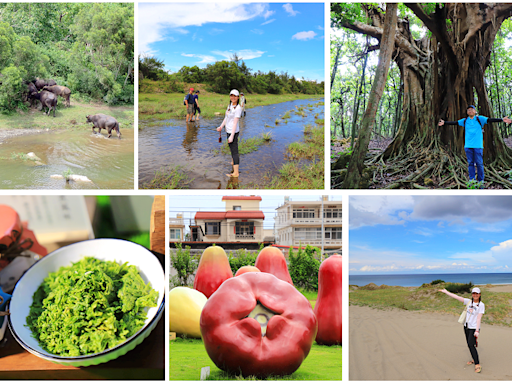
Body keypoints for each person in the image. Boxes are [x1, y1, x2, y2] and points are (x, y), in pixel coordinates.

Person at [438, 106, 511, 185]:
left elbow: (490, 120)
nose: (470, 111)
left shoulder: (480, 119)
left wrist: (501, 120)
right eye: (468, 110)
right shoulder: (465, 121)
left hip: (478, 146)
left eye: (472, 110)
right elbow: (455, 122)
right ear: (467, 112)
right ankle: (472, 180)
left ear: (475, 111)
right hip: (468, 146)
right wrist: (444, 123)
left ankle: (481, 181)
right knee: (470, 163)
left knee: (479, 164)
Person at [438, 287, 485, 373]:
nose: (475, 295)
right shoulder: (468, 302)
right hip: (466, 326)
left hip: (474, 328)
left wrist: (477, 330)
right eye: (473, 293)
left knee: (471, 345)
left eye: (477, 293)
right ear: (472, 294)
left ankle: (477, 364)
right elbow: (456, 296)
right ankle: (474, 359)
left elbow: (479, 319)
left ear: (479, 294)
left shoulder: (481, 305)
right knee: (469, 344)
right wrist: (446, 292)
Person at [216, 89, 242, 178]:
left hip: (233, 132)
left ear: (238, 97)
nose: (233, 97)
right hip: (228, 130)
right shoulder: (230, 105)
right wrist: (221, 127)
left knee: (234, 151)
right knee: (232, 149)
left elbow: (235, 123)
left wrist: (232, 136)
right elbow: (226, 118)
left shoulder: (238, 108)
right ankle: (233, 162)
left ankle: (236, 173)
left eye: (235, 96)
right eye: (231, 95)